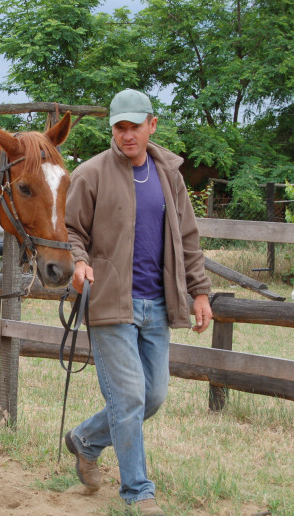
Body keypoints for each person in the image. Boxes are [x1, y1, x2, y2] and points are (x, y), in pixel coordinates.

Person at [64, 89, 213, 516]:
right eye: (119, 127)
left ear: (152, 124)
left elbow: (187, 238)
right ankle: (138, 492)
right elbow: (71, 229)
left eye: (135, 126)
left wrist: (199, 291)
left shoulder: (170, 175)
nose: (127, 135)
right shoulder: (90, 173)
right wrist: (79, 261)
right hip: (112, 302)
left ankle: (86, 440)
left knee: (153, 397)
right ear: (112, 129)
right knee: (129, 398)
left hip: (158, 304)